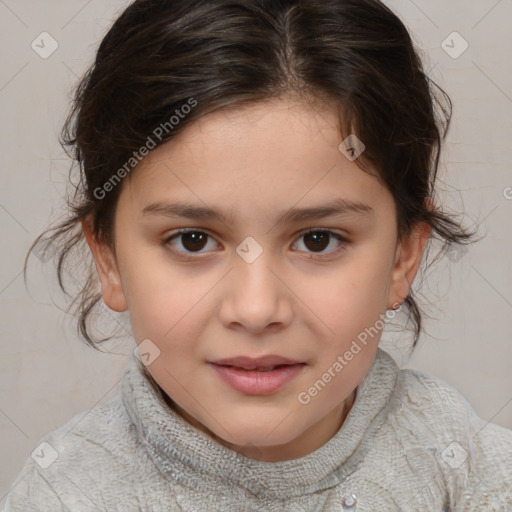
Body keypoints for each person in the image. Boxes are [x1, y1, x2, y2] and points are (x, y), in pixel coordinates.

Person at [4, 0, 512, 510]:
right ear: (108, 260)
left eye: (318, 240)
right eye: (193, 240)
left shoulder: (468, 472)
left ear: (404, 256)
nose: (255, 309)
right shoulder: (63, 493)